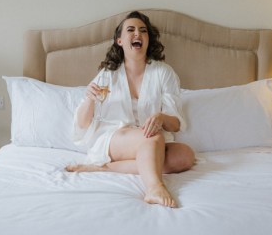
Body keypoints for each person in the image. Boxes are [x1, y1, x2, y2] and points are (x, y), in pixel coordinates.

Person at [66, 11, 195, 208]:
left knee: (185, 156)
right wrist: (89, 100)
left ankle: (104, 168)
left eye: (143, 31)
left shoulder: (163, 72)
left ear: (148, 39)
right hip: (116, 139)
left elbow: (175, 124)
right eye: (131, 30)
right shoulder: (107, 75)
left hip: (150, 140)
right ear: (120, 40)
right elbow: (82, 125)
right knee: (152, 135)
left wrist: (161, 117)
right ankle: (154, 187)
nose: (138, 34)